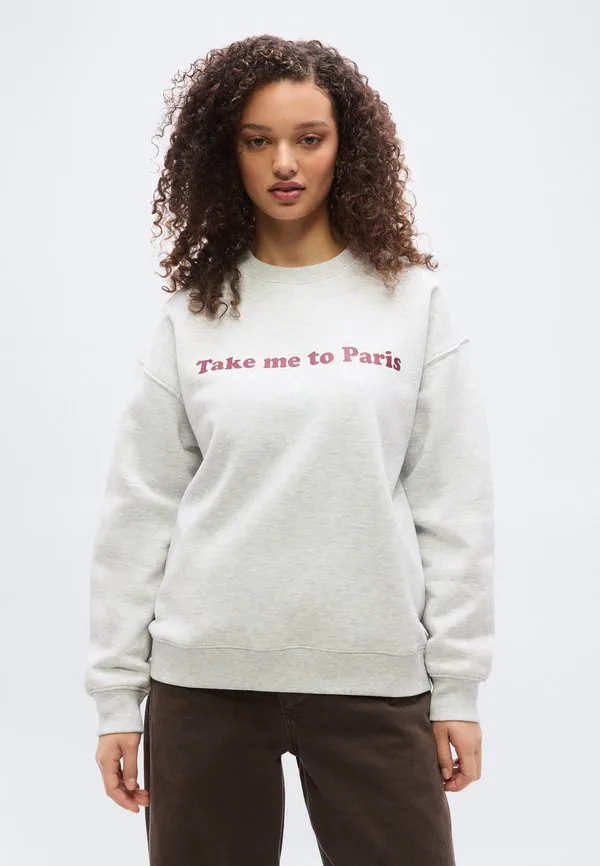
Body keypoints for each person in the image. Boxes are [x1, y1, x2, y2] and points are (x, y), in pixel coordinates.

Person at [84, 34, 495, 866]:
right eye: (257, 140)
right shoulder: (192, 314)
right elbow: (140, 511)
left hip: (373, 676)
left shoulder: (412, 303)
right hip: (203, 683)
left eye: (309, 138)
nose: (284, 163)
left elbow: (452, 506)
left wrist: (456, 687)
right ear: (224, 152)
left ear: (348, 147)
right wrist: (117, 701)